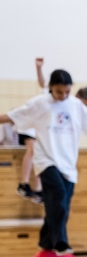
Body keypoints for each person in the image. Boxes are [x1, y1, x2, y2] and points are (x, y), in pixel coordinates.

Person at [0, 69, 87, 255]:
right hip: (46, 160)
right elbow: (12, 116)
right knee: (59, 195)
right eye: (58, 92)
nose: (63, 96)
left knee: (60, 205)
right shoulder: (40, 103)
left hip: (68, 164)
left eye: (67, 92)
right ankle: (61, 243)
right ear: (50, 88)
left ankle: (45, 242)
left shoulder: (76, 105)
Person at [15, 58, 50, 204]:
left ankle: (38, 189)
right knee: (32, 150)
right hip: (27, 123)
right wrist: (38, 68)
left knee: (41, 153)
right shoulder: (49, 94)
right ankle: (23, 184)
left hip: (36, 126)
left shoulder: (64, 103)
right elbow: (42, 83)